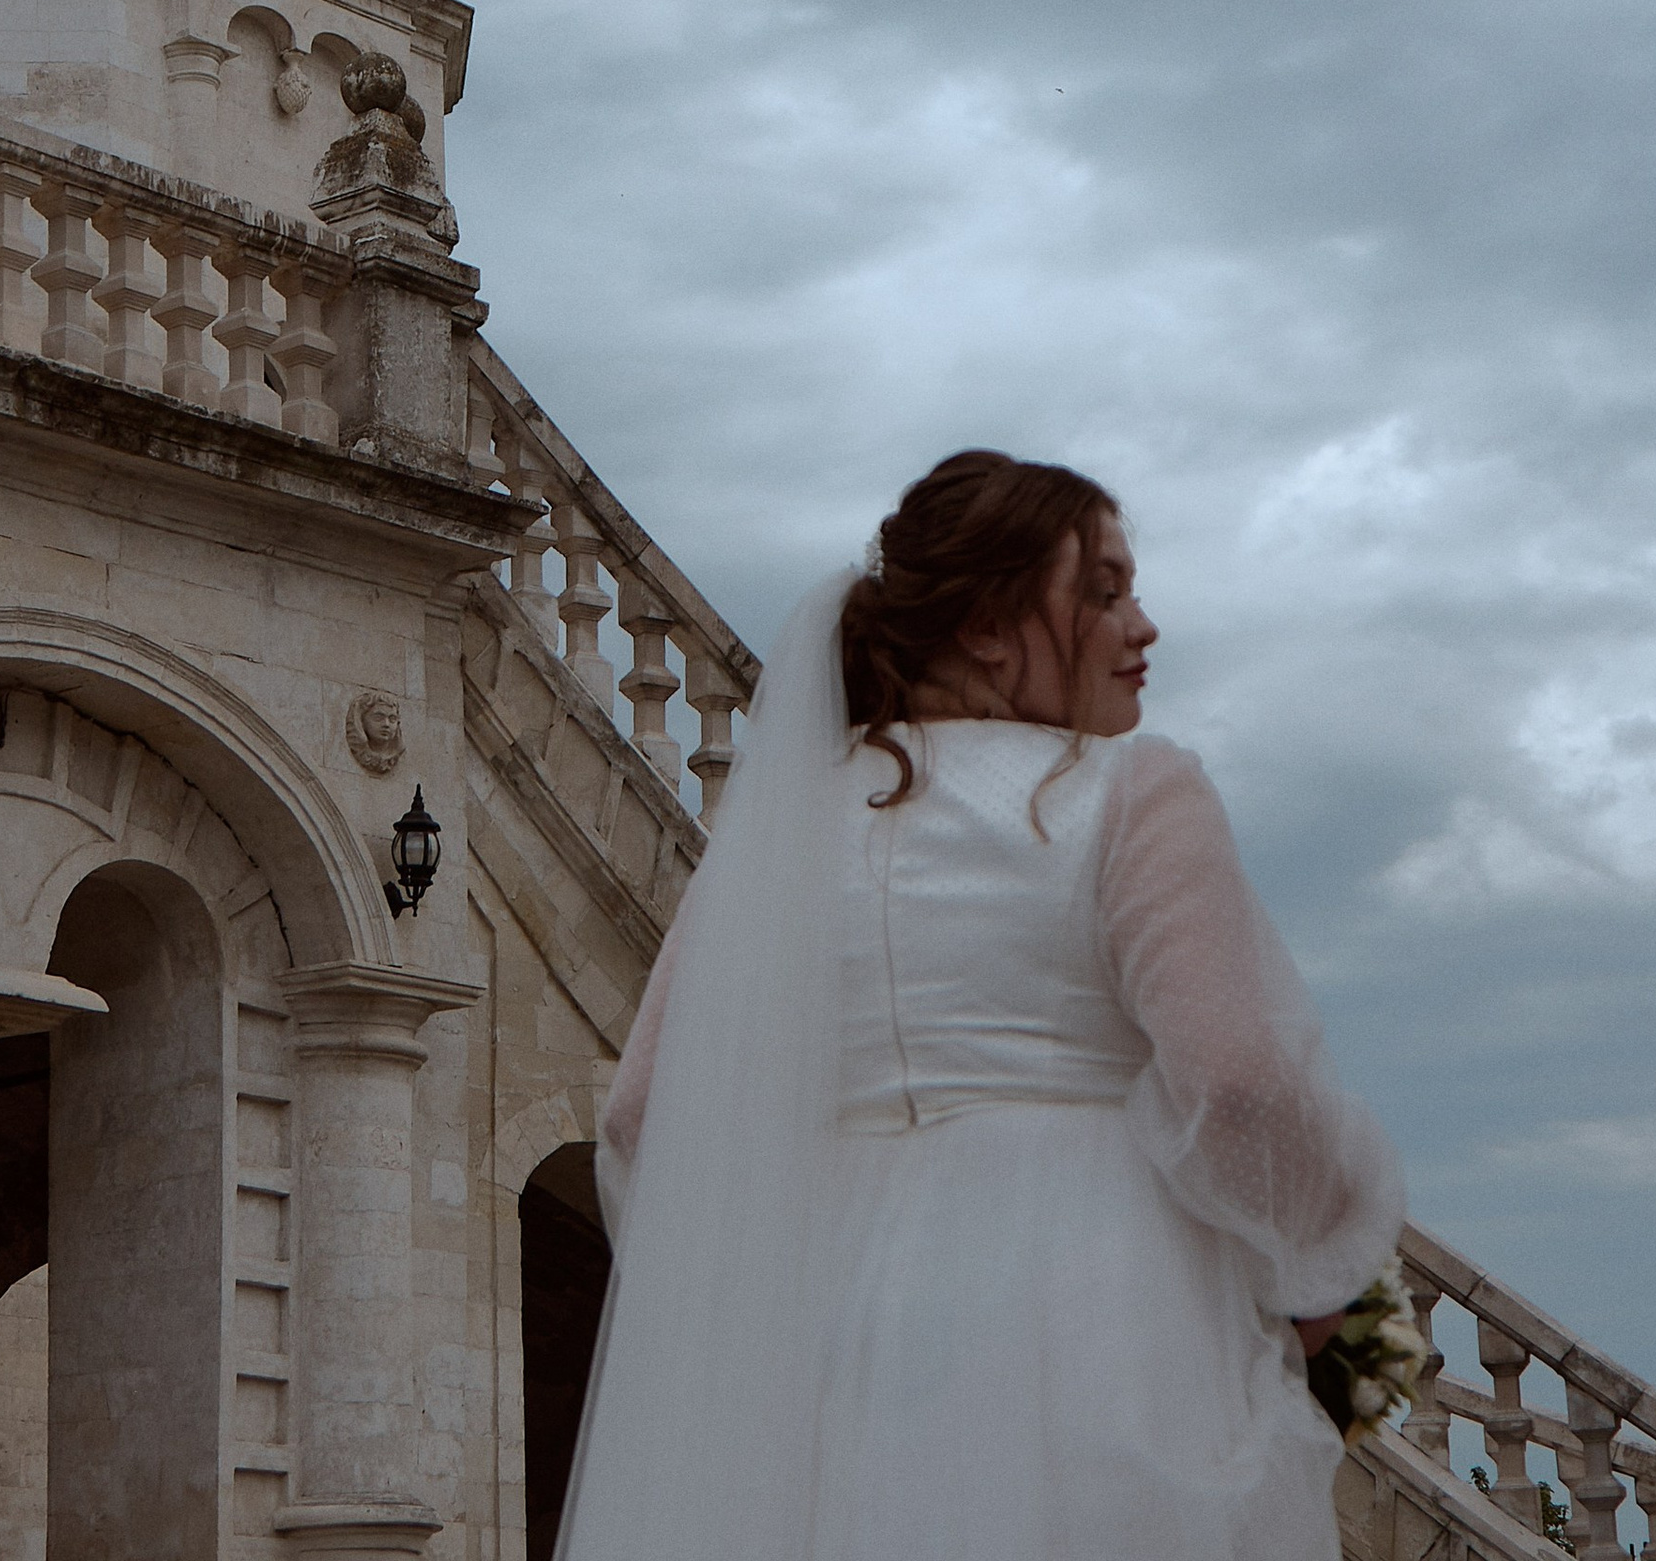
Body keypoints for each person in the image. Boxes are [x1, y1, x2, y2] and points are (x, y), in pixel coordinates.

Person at [557, 452, 1404, 1561]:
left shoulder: (789, 829)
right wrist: (1317, 1269)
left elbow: (639, 1117)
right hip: (1101, 1323)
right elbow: (1237, 1084)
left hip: (832, 1346)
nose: (1142, 625)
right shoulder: (1129, 791)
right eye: (1103, 592)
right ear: (990, 629)